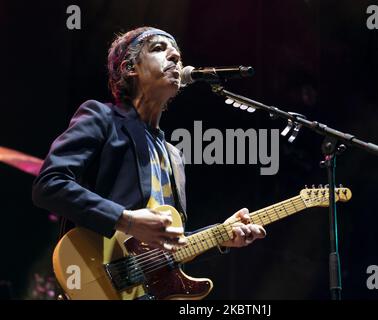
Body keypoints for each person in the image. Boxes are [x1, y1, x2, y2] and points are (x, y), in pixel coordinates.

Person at [32, 26, 266, 257]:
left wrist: (220, 234)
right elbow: (49, 185)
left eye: (177, 53)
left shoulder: (174, 155)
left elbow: (169, 244)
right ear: (130, 68)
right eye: (159, 48)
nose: (175, 56)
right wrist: (127, 220)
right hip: (95, 277)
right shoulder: (102, 117)